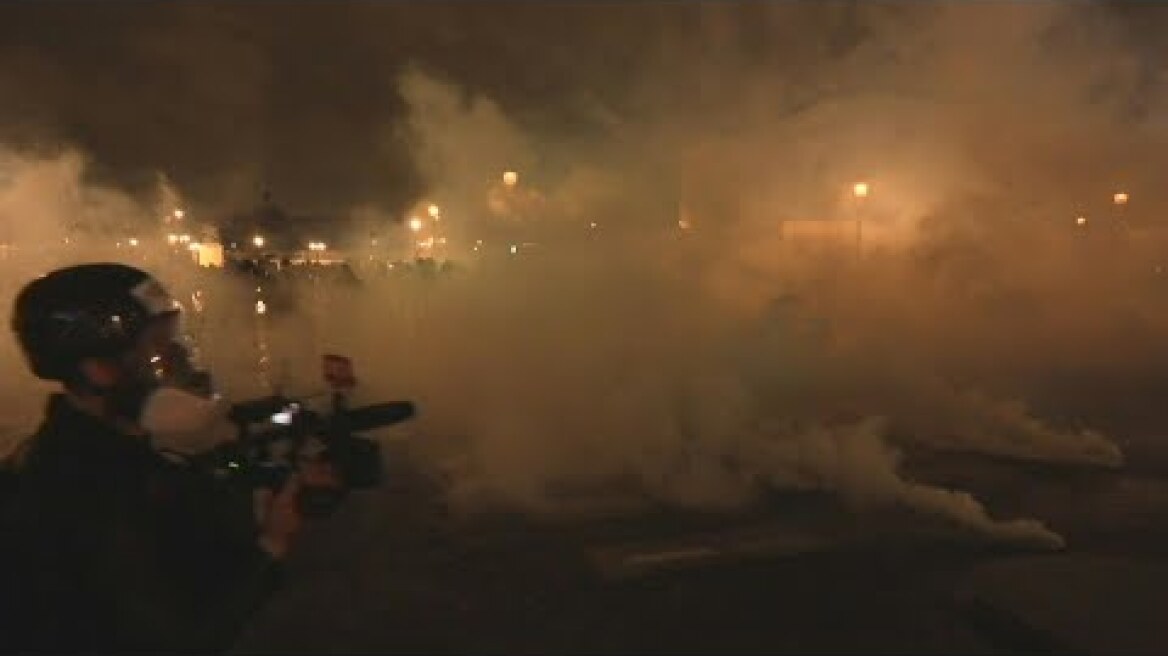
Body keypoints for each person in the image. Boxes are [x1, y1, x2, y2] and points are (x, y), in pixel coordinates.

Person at [1, 263, 302, 653]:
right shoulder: (84, 485)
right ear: (100, 367)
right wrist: (272, 546)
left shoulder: (104, 452)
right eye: (155, 350)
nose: (176, 366)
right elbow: (177, 638)